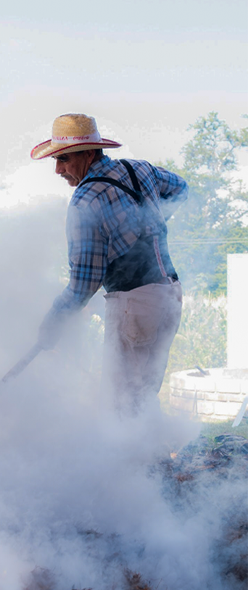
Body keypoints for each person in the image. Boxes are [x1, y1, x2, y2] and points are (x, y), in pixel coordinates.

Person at [30, 113, 187, 417]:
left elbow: (84, 284)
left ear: (89, 152)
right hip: (170, 295)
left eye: (64, 159)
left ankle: (131, 464)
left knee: (121, 405)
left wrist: (54, 322)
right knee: (141, 395)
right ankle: (148, 459)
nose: (58, 169)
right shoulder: (139, 169)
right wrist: (151, 222)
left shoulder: (85, 201)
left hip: (135, 306)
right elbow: (181, 188)